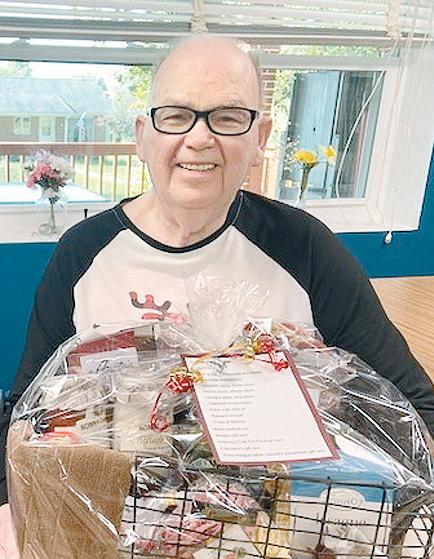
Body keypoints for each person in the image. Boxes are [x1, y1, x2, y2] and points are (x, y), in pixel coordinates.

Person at [1, 34, 433, 557]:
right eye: (176, 116)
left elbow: (414, 408)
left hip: (278, 533)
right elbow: (24, 415)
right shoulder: (83, 253)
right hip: (109, 529)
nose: (199, 138)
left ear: (260, 137)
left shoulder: (305, 248)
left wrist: (320, 397)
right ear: (142, 135)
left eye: (227, 117)